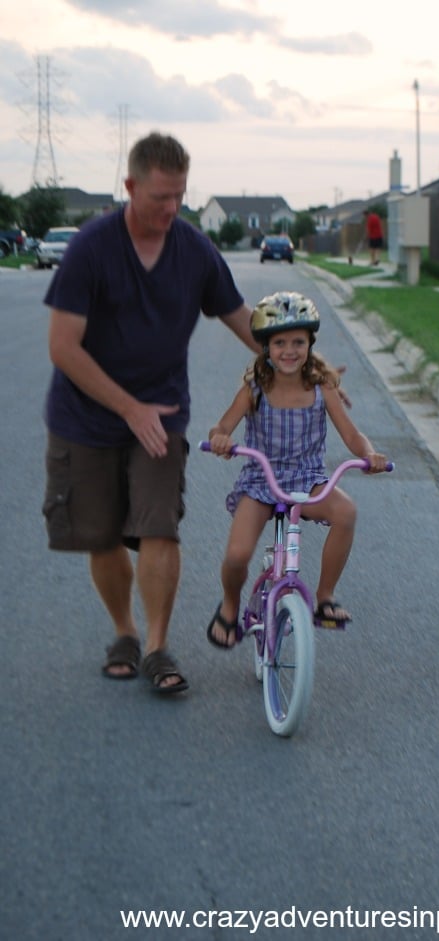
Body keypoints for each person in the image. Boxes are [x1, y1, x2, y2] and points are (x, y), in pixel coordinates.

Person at [42, 131, 260, 694]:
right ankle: (125, 632)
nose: (171, 209)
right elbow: (63, 347)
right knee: (103, 537)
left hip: (161, 416)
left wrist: (306, 363)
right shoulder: (92, 247)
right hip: (84, 419)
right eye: (160, 197)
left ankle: (159, 648)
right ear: (131, 186)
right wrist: (127, 406)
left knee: (160, 527)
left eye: (180, 197)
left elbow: (240, 316)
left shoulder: (193, 250)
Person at [205, 291, 389, 648]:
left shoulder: (322, 387)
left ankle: (325, 597)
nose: (289, 351)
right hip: (262, 481)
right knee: (237, 555)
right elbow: (222, 426)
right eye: (280, 343)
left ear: (310, 344)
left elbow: (351, 433)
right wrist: (220, 439)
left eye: (298, 342)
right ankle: (229, 606)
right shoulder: (254, 389)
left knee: (346, 512)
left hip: (308, 480)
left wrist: (368, 454)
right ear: (265, 347)